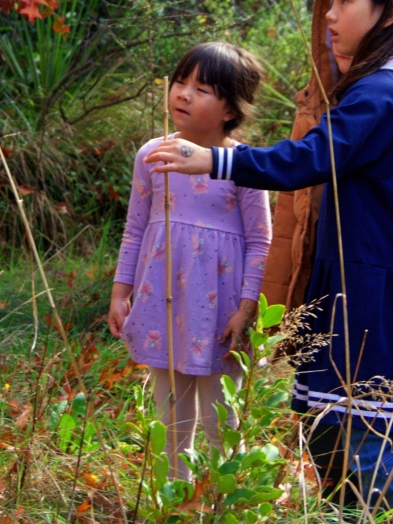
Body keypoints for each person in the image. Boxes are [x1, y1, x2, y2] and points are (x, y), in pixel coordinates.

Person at [147, 0, 393, 523]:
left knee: (363, 446)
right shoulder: (382, 88)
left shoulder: (384, 93)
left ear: (388, 13)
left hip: (374, 297)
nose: (331, 14)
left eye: (345, 1)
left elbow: (308, 159)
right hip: (357, 286)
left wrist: (216, 160)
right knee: (330, 439)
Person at [108, 42, 272, 480]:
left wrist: (246, 308)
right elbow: (135, 228)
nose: (183, 93)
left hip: (221, 313)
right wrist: (121, 292)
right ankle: (175, 501)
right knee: (170, 418)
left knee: (222, 419)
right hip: (163, 303)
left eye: (201, 89)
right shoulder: (153, 155)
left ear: (229, 109)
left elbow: (261, 241)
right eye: (181, 82)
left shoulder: (243, 166)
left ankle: (222, 499)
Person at [262, 0, 393, 325]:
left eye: (346, 2)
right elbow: (289, 218)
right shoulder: (314, 112)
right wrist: (277, 301)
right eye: (332, 7)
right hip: (319, 278)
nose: (333, 19)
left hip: (375, 288)